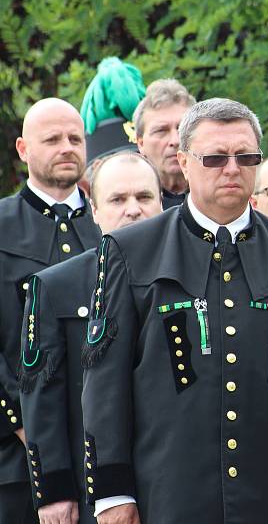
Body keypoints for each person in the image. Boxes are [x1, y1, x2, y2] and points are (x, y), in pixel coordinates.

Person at [81, 98, 268, 524]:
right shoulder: (131, 251)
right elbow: (105, 383)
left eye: (246, 156)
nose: (232, 167)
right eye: (215, 157)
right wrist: (112, 492)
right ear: (183, 162)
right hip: (168, 492)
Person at [19, 152, 163, 524]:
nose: (133, 210)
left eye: (144, 197)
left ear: (163, 203)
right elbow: (42, 397)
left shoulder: (191, 276)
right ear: (94, 210)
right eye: (118, 199)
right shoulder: (55, 285)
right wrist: (54, 490)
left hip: (174, 478)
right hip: (95, 484)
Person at [0, 98, 102, 523]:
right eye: (53, 139)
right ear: (24, 150)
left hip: (105, 451)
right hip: (16, 455)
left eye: (75, 138)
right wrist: (23, 425)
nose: (67, 147)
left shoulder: (109, 219)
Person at [132, 78, 196, 208]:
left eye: (182, 129)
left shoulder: (221, 198)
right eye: (161, 131)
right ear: (141, 143)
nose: (175, 140)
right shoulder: (129, 207)